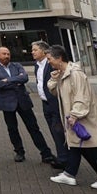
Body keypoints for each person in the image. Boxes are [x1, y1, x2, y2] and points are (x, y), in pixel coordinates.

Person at [46, 45, 97, 189]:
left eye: (50, 59)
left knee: (96, 147)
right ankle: (69, 174)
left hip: (84, 117)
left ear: (59, 58)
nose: (48, 62)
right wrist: (55, 78)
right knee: (75, 146)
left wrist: (75, 115)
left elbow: (82, 96)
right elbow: (55, 92)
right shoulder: (64, 73)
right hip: (76, 117)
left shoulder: (75, 74)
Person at [0, 46, 56, 164]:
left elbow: (24, 78)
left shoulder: (17, 65)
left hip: (23, 101)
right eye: (4, 54)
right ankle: (19, 152)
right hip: (7, 104)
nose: (7, 56)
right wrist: (16, 80)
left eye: (8, 54)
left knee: (33, 128)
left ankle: (46, 153)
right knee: (12, 129)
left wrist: (7, 80)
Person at [32, 40, 67, 170]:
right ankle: (62, 155)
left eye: (35, 50)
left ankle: (64, 159)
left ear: (43, 51)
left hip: (55, 102)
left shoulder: (51, 63)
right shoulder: (36, 65)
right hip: (45, 103)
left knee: (58, 131)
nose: (32, 52)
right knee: (53, 131)